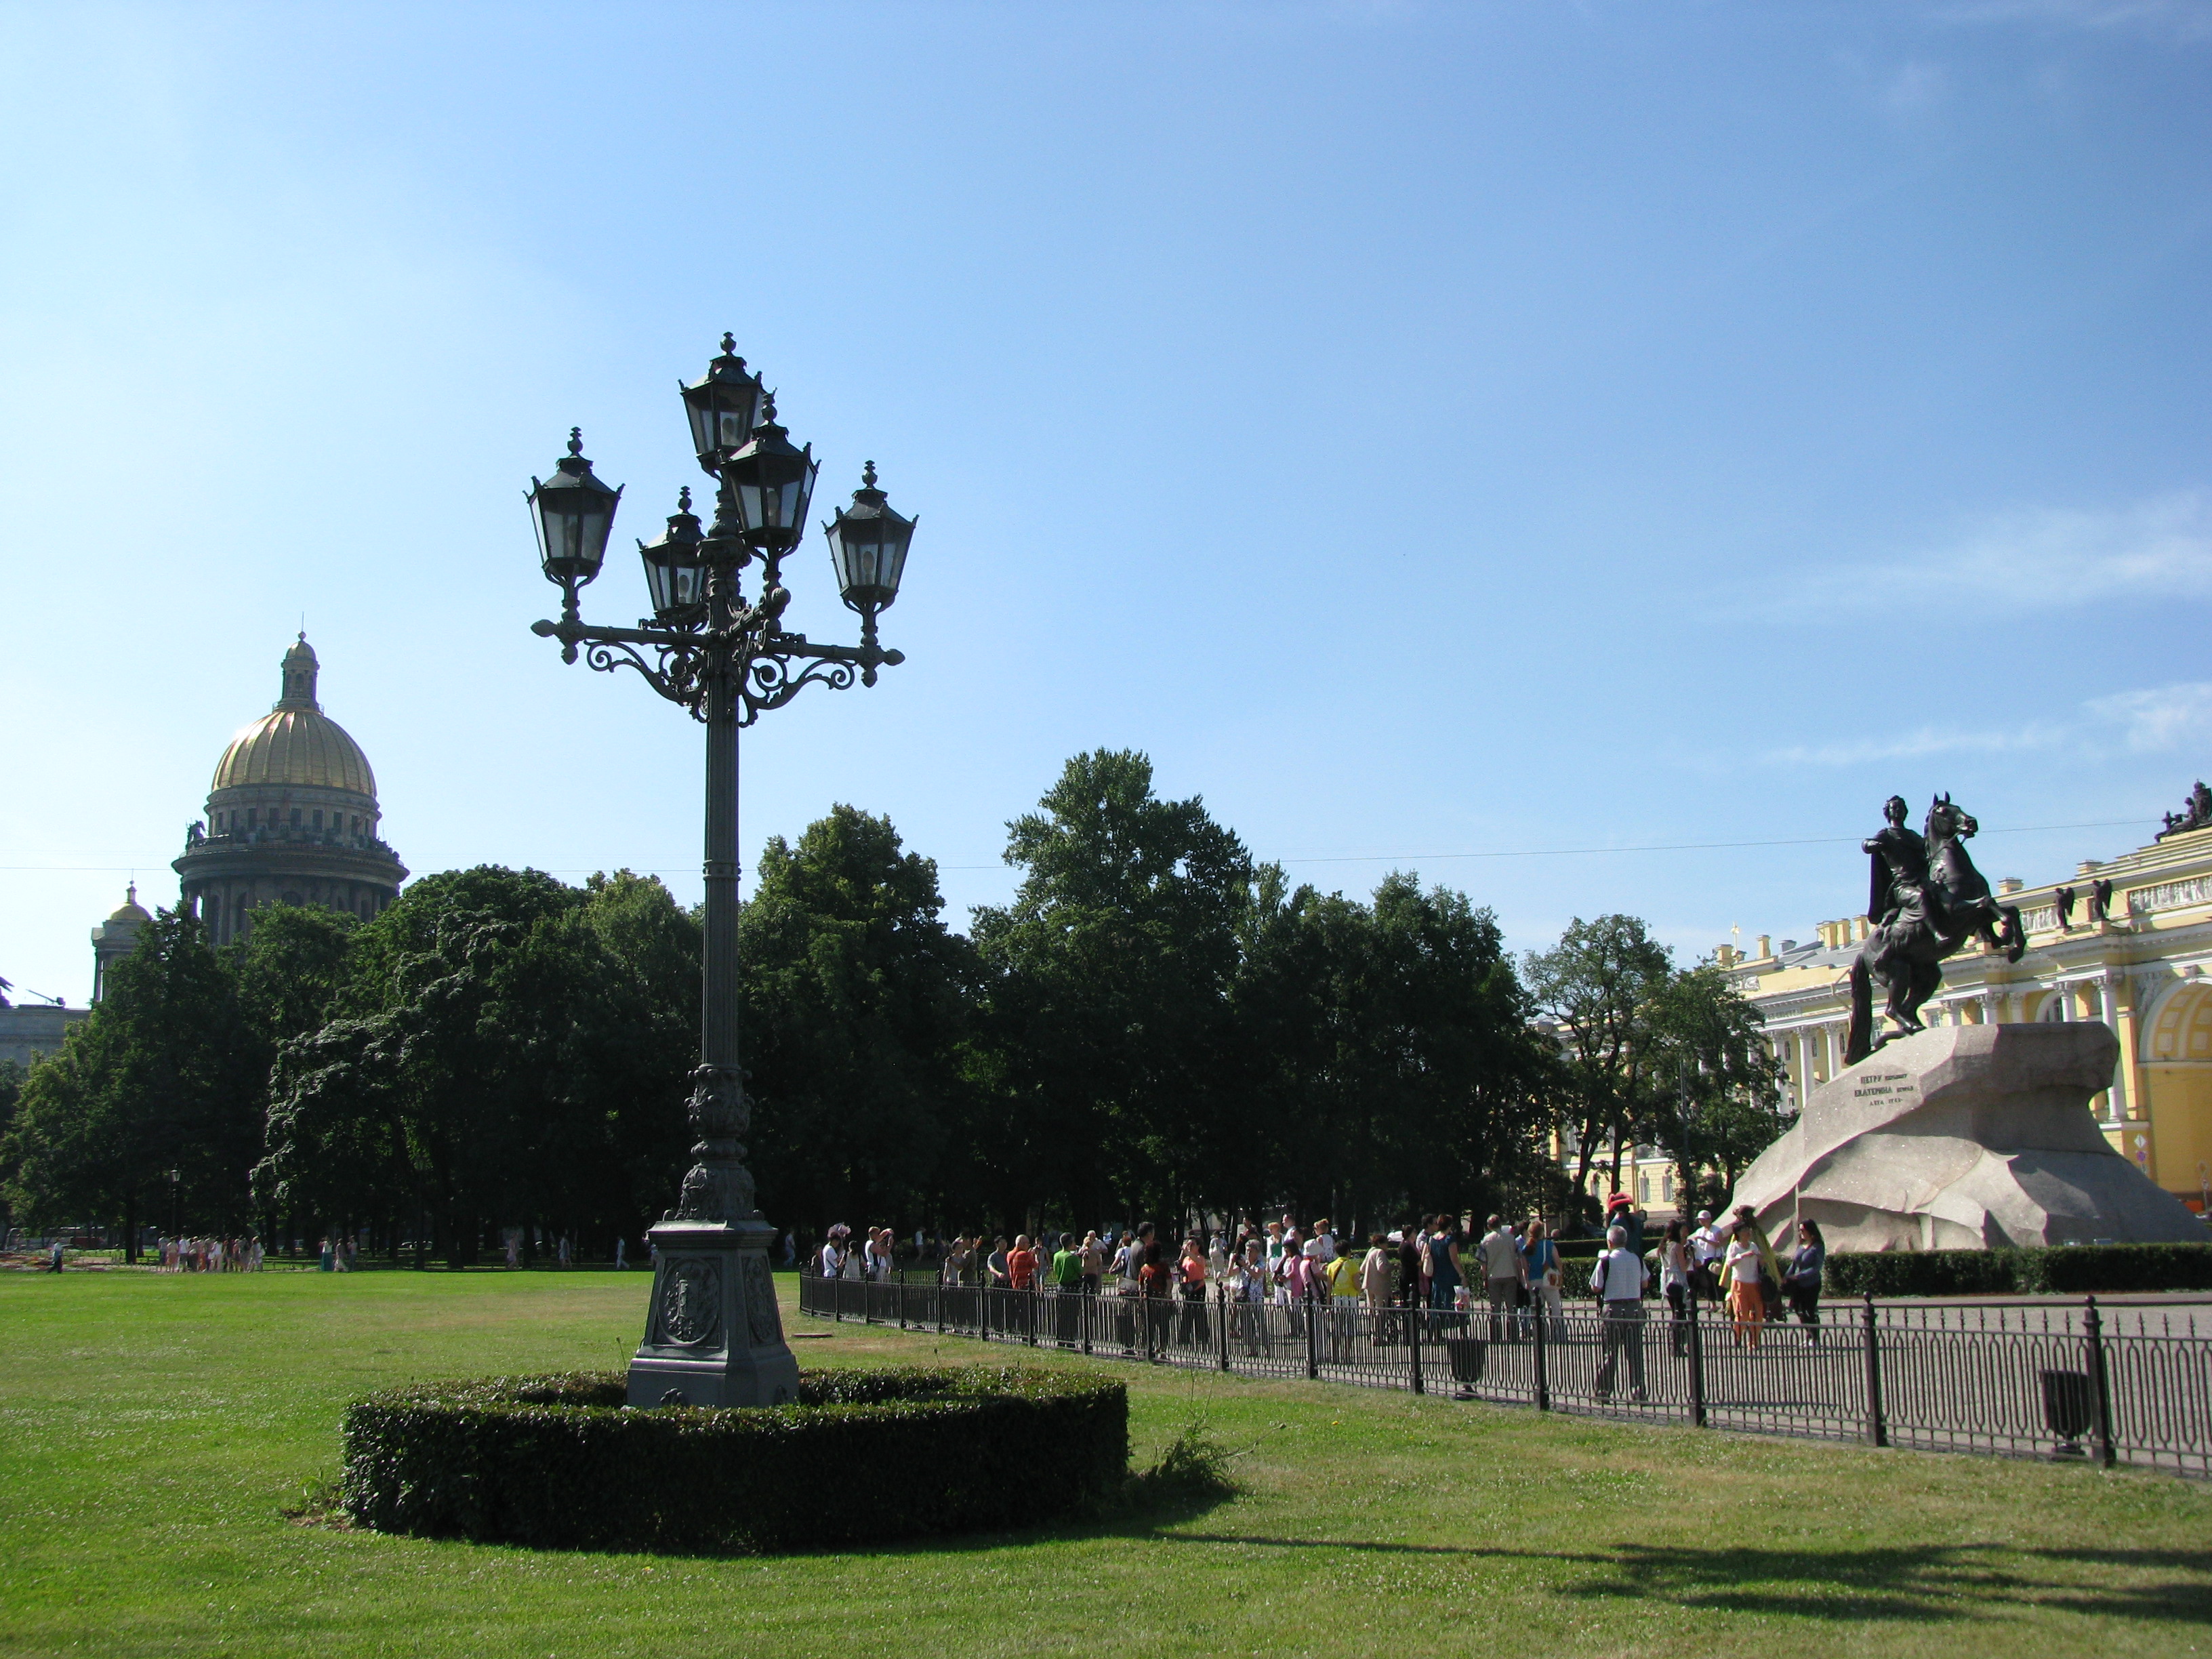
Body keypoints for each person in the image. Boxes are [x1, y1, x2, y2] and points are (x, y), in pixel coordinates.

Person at [1589, 1223, 1649, 1401]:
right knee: (1635, 1351)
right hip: (1634, 1306)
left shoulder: (1606, 1262)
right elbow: (1645, 1283)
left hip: (1613, 1307)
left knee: (1610, 1352)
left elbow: (1596, 1287)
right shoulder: (1636, 1259)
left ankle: (1604, 1391)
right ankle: (1638, 1391)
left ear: (1609, 1242)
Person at [1477, 1214, 1524, 1343]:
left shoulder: (1485, 1241)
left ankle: (1496, 1337)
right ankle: (1514, 1336)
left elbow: (1483, 1263)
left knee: (1495, 1308)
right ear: (1500, 1224)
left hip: (1493, 1276)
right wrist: (1520, 1277)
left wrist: (1484, 1278)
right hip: (1510, 1274)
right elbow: (1518, 1258)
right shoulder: (1511, 1239)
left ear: (1488, 1226)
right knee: (1511, 1307)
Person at [1722, 1221, 1767, 1348]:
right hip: (1740, 1283)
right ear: (1738, 1233)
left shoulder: (1753, 1245)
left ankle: (1754, 1340)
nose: (1748, 1233)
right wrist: (1742, 1256)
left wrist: (1760, 1257)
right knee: (1742, 1313)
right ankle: (1738, 1337)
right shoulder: (1734, 1247)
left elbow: (1762, 1263)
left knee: (1757, 1313)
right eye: (1745, 1230)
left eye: (1748, 1230)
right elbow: (1730, 1263)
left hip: (1754, 1283)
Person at [1782, 1218, 1826, 1345]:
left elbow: (1816, 1267)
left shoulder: (1818, 1247)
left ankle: (1815, 1337)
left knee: (1809, 1310)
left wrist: (1800, 1276)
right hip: (1798, 1285)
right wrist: (1787, 1277)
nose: (1801, 1232)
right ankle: (1809, 1333)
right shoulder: (1801, 1246)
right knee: (1798, 1309)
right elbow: (1795, 1264)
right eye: (1799, 1230)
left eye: (1803, 1230)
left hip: (1811, 1284)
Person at [1523, 1219, 1563, 1339]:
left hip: (1534, 1280)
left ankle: (1542, 1334)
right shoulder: (1549, 1245)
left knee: (1538, 1310)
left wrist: (1526, 1281)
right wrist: (1560, 1275)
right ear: (1542, 1232)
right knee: (1555, 1307)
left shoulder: (1527, 1248)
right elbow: (1558, 1262)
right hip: (1549, 1279)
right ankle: (1558, 1334)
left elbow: (1525, 1268)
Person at [1659, 1218, 1693, 1357]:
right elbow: (1683, 1267)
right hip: (1676, 1280)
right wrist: (1690, 1257)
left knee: (1675, 1311)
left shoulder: (1663, 1245)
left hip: (1666, 1280)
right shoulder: (1677, 1246)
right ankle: (1677, 1344)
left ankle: (1674, 1343)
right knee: (1680, 1313)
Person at [1052, 1232, 1085, 1346]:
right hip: (1072, 1287)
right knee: (1072, 1315)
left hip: (1061, 1286)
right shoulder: (1072, 1257)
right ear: (1070, 1243)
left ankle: (1061, 1338)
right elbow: (1081, 1272)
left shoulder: (1057, 1255)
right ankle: (1070, 1339)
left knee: (1061, 1314)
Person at [1426, 1215, 1464, 1313]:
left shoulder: (1431, 1239)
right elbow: (1454, 1260)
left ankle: (1439, 1323)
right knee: (1450, 1303)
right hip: (1450, 1276)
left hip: (1437, 1276)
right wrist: (1462, 1276)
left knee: (1438, 1304)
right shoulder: (1450, 1240)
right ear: (1450, 1225)